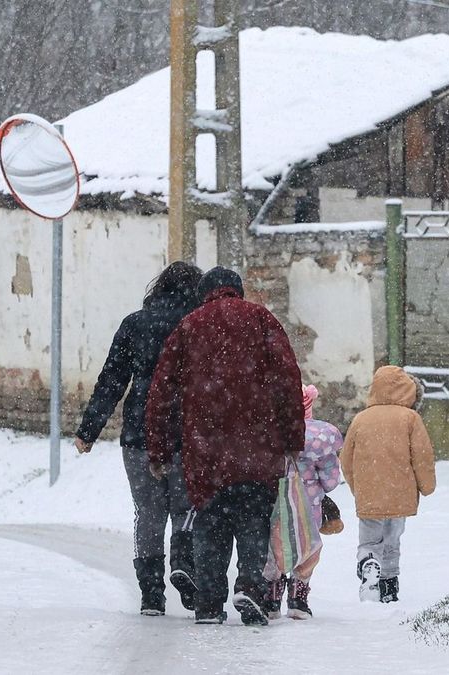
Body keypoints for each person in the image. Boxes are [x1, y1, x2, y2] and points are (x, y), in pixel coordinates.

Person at [146, 267, 305, 626]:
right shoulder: (262, 320)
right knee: (253, 520)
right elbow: (287, 378)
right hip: (258, 446)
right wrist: (292, 439)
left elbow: (161, 393)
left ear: (204, 293)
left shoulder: (188, 326)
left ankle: (208, 602)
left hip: (206, 452)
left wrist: (159, 449)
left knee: (210, 525)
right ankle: (249, 586)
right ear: (238, 290)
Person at [74, 261, 204, 617]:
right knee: (185, 506)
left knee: (147, 513)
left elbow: (112, 380)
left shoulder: (135, 323)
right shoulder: (198, 325)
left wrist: (88, 431)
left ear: (157, 287)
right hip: (186, 432)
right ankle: (183, 561)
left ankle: (150, 593)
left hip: (139, 432)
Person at [339, 365, 436, 603]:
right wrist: (427, 485)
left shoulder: (361, 419)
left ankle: (369, 563)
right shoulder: (411, 418)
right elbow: (422, 455)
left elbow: (346, 460)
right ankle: (389, 588)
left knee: (369, 541)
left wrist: (357, 487)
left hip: (369, 494)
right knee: (392, 542)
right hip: (399, 493)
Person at [262, 384, 342, 620]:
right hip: (309, 508)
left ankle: (272, 596)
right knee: (308, 548)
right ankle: (298, 598)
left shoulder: (269, 435)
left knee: (274, 549)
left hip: (277, 506)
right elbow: (330, 481)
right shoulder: (321, 440)